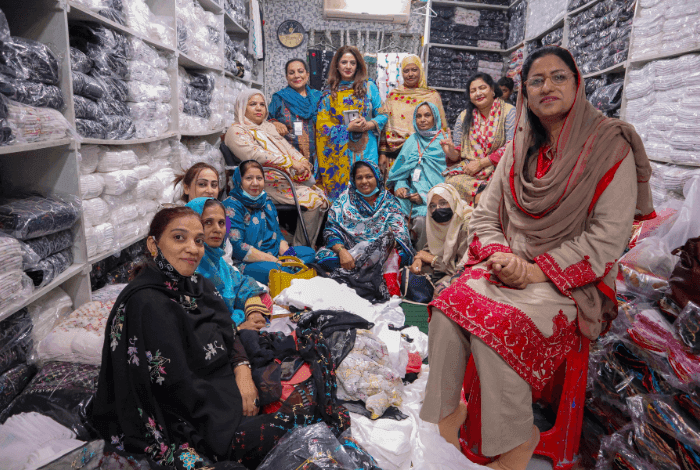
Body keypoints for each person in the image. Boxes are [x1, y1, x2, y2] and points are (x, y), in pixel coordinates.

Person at [421, 46, 654, 470]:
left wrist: (532, 272)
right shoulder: (520, 146)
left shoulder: (609, 146)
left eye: (559, 77)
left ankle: (513, 443)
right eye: (536, 80)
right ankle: (449, 413)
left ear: (577, 83)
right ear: (525, 92)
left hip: (570, 281)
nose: (548, 87)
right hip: (511, 265)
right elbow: (486, 214)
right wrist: (499, 255)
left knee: (498, 326)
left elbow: (607, 239)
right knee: (445, 305)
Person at [91, 207, 328, 469]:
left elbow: (228, 332)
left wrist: (242, 372)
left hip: (222, 397)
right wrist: (232, 408)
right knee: (301, 432)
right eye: (179, 238)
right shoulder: (145, 303)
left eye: (198, 240)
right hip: (191, 424)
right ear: (153, 245)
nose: (192, 248)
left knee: (315, 402)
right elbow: (173, 387)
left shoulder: (199, 286)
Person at [224, 89, 328, 247]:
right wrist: (290, 163)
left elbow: (287, 148)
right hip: (262, 182)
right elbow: (254, 155)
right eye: (253, 104)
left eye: (262, 104)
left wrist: (302, 161)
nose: (259, 108)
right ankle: (300, 247)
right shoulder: (236, 131)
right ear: (242, 107)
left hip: (282, 177)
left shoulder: (267, 127)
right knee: (314, 201)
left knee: (322, 197)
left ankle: (302, 246)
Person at [223, 161, 316, 285]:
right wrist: (273, 260)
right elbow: (237, 247)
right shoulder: (231, 206)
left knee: (309, 253)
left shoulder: (266, 202)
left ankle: (288, 272)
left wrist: (288, 256)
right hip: (247, 262)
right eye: (249, 178)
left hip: (274, 256)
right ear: (239, 180)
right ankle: (291, 272)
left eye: (259, 178)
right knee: (275, 270)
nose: (255, 183)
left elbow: (277, 235)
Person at [316, 45, 388, 202]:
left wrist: (369, 125)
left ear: (358, 65)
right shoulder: (329, 93)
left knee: (367, 187)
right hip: (341, 151)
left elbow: (383, 114)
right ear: (337, 65)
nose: (348, 66)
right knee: (345, 195)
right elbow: (321, 127)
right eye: (344, 62)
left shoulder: (369, 87)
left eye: (352, 63)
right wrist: (346, 128)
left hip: (367, 149)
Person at [186, 197, 270, 330]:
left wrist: (253, 312)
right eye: (208, 222)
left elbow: (244, 284)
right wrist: (238, 330)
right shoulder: (188, 269)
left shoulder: (219, 263)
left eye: (221, 223)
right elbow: (195, 326)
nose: (217, 229)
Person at [316, 160, 414, 271]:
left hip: (381, 251)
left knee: (402, 255)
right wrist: (342, 252)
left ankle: (360, 268)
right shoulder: (343, 201)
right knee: (324, 257)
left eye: (369, 177)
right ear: (353, 180)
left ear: (377, 178)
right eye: (359, 178)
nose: (364, 181)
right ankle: (365, 267)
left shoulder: (389, 201)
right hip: (350, 251)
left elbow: (400, 233)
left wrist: (381, 248)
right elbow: (331, 231)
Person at [440, 73, 516, 206]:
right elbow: (457, 154)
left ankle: (483, 196)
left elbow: (512, 145)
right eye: (473, 91)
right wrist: (450, 151)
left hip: (500, 168)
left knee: (504, 185)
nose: (478, 93)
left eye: (482, 88)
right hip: (470, 171)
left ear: (492, 90)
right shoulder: (464, 117)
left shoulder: (509, 112)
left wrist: (481, 163)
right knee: (450, 182)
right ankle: (480, 194)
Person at [385, 102, 447, 251]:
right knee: (392, 212)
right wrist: (401, 186)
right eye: (418, 116)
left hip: (434, 197)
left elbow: (447, 181)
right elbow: (401, 171)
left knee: (421, 221)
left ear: (435, 118)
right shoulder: (412, 140)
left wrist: (424, 196)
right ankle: (400, 255)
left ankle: (421, 257)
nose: (422, 119)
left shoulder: (443, 142)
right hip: (410, 194)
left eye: (427, 115)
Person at [378, 54, 447, 174]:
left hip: (426, 156)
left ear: (420, 71)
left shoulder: (432, 96)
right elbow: (385, 127)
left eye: (414, 70)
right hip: (395, 155)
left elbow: (442, 127)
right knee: (396, 189)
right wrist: (383, 154)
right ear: (402, 73)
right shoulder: (394, 96)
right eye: (406, 71)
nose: (410, 74)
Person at [410, 183, 472, 293]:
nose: (438, 208)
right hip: (445, 266)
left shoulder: (467, 223)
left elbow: (464, 267)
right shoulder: (436, 222)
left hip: (465, 273)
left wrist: (433, 260)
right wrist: (419, 259)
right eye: (433, 206)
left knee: (442, 291)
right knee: (411, 276)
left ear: (453, 201)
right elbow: (431, 248)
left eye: (443, 203)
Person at [268, 58, 322, 165]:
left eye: (300, 71)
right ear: (287, 77)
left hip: (318, 157)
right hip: (290, 158)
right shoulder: (279, 98)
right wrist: (274, 123)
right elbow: (266, 122)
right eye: (291, 73)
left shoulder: (319, 97)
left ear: (307, 75)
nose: (296, 76)